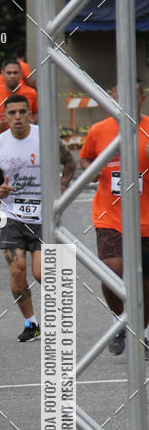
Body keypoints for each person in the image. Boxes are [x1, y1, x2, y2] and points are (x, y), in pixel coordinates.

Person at [0, 94, 76, 341]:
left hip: (43, 215)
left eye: (21, 112)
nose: (17, 118)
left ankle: (59, 314)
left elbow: (70, 163)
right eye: (11, 113)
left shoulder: (45, 138)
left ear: (30, 114)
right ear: (4, 117)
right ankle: (31, 324)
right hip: (12, 215)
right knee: (17, 271)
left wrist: (62, 191)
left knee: (40, 273)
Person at [80, 81, 149, 356]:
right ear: (112, 97)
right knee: (111, 270)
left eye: (133, 97)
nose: (126, 103)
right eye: (120, 97)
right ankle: (119, 321)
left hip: (145, 218)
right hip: (110, 214)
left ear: (142, 98)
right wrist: (96, 170)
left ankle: (142, 332)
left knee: (145, 283)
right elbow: (85, 159)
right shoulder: (99, 130)